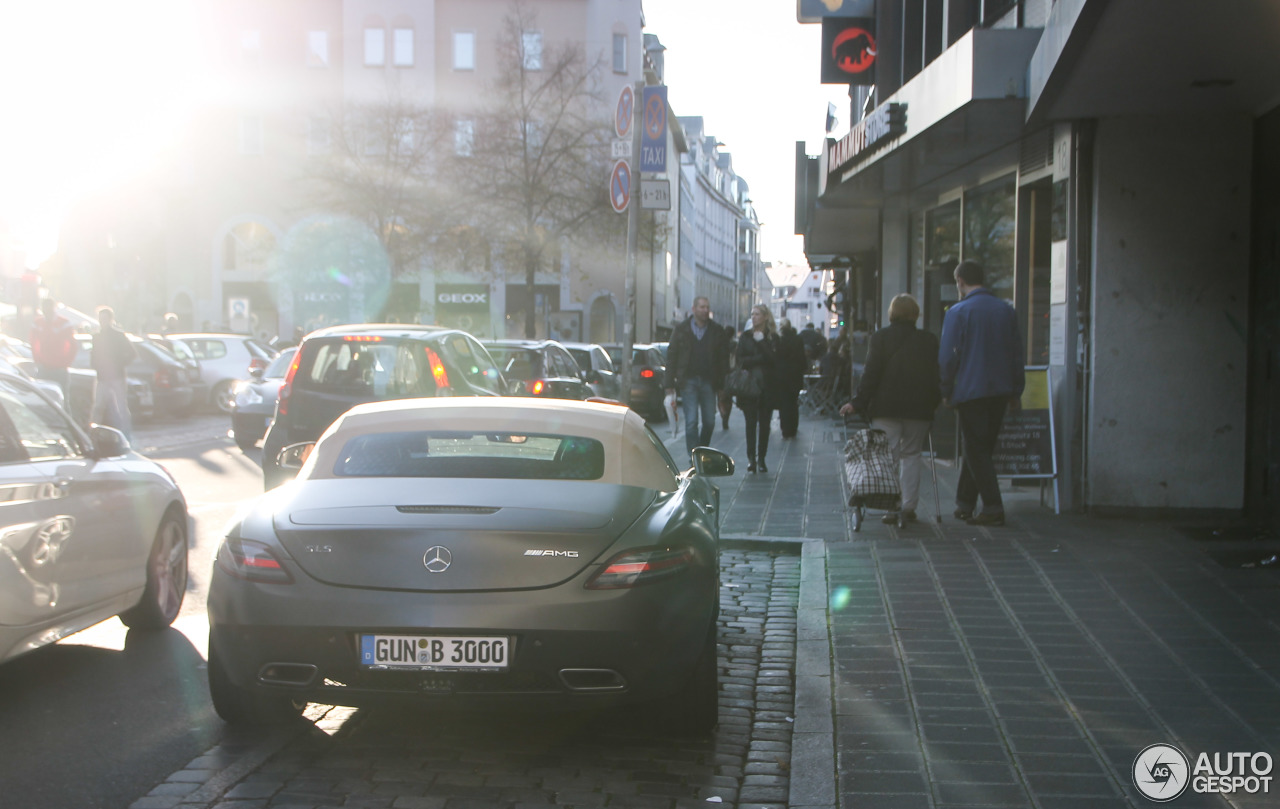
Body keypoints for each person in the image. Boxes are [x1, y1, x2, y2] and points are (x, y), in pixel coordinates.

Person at [840, 294, 941, 523]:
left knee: (887, 457)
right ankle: (908, 506)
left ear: (892, 313)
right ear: (915, 314)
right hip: (919, 408)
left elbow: (871, 373)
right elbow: (935, 375)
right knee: (912, 455)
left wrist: (858, 402)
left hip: (886, 407)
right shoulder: (928, 340)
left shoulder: (881, 338)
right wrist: (934, 402)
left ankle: (891, 505)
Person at [939, 260, 1025, 527]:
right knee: (981, 447)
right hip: (1000, 389)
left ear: (960, 282)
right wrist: (1016, 390)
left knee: (975, 448)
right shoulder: (1006, 311)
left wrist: (946, 389)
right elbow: (1016, 354)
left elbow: (947, 358)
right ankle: (964, 502)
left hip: (971, 389)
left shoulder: (958, 311)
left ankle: (992, 506)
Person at [664, 297, 731, 459]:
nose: (705, 310)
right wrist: (668, 383)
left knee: (709, 421)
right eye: (701, 307)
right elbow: (671, 356)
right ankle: (694, 457)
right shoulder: (681, 330)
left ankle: (702, 450)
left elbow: (723, 359)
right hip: (688, 380)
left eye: (707, 307)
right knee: (691, 421)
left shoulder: (716, 330)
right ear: (693, 309)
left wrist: (723, 385)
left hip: (709, 380)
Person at [736, 305, 780, 473]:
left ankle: (761, 458)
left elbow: (774, 359)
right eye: (752, 314)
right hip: (748, 386)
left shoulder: (772, 338)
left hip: (767, 386)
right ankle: (751, 459)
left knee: (764, 424)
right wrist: (760, 358)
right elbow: (741, 360)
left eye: (757, 314)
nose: (753, 317)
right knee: (750, 423)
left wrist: (761, 342)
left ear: (765, 317)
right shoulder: (745, 337)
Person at [91, 306, 137, 438]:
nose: (102, 321)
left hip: (117, 376)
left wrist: (119, 364)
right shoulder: (97, 337)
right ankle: (93, 434)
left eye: (105, 319)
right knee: (98, 406)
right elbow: (94, 354)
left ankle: (126, 435)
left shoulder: (118, 335)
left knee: (121, 407)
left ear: (111, 320)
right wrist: (95, 365)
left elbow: (132, 353)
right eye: (100, 319)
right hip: (102, 377)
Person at [29, 298, 77, 401]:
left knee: (63, 400)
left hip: (60, 368)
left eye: (49, 308)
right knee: (42, 400)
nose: (46, 311)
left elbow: (72, 345)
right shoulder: (38, 323)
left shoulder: (64, 323)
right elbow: (33, 343)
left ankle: (64, 416)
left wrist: (65, 362)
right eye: (44, 308)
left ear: (53, 308)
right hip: (44, 368)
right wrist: (38, 360)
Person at [775, 318, 807, 439]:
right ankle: (793, 428)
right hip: (795, 376)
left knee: (784, 404)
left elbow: (776, 358)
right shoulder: (798, 339)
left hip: (782, 377)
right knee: (793, 403)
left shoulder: (780, 340)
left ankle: (785, 428)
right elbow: (802, 360)